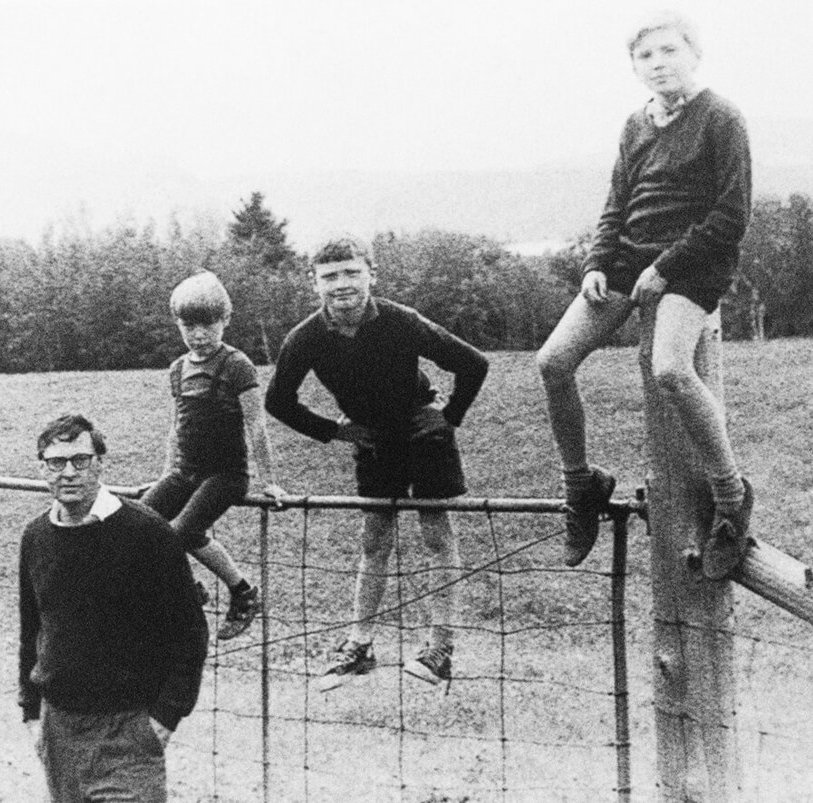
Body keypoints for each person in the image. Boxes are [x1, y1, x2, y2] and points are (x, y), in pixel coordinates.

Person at [535, 11, 753, 579]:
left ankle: (731, 498)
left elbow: (731, 215)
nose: (658, 64)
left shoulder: (722, 117)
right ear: (635, 67)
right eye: (645, 56)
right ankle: (582, 486)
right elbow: (616, 204)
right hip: (631, 261)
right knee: (553, 361)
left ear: (694, 54)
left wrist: (666, 265)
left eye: (668, 52)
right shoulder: (635, 124)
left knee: (671, 371)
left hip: (694, 265)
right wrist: (595, 264)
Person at [265, 236, 489, 690]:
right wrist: (337, 430)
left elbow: (473, 363)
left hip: (421, 430)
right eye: (330, 276)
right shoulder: (304, 338)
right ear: (314, 284)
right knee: (374, 540)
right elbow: (277, 401)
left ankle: (440, 647)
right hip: (371, 438)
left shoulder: (402, 321)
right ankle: (360, 645)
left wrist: (448, 417)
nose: (342, 284)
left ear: (372, 274)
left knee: (435, 532)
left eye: (352, 272)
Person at [19, 414, 208, 802]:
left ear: (100, 463)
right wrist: (31, 713)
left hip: (129, 729)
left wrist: (165, 717)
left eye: (81, 460)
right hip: (60, 728)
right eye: (56, 462)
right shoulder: (36, 536)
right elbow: (32, 628)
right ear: (43, 468)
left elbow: (190, 631)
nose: (68, 472)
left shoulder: (146, 532)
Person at [142, 271, 288, 641]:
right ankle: (189, 588)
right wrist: (166, 474)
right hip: (185, 472)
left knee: (182, 533)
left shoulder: (236, 365)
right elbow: (176, 427)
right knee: (138, 525)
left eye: (208, 324)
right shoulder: (178, 369)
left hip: (225, 475)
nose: (199, 335)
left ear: (225, 320)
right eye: (189, 326)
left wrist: (269, 481)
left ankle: (243, 591)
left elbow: (257, 426)